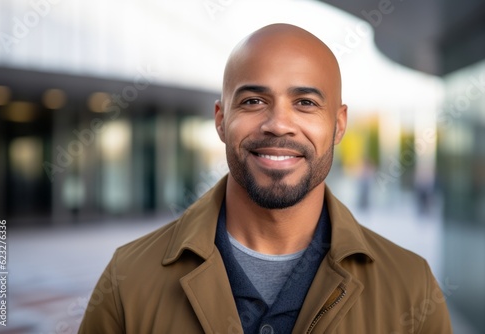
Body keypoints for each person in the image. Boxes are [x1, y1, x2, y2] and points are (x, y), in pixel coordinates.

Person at [78, 24, 452, 333]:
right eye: (254, 101)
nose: (278, 125)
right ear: (221, 120)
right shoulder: (128, 278)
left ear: (338, 125)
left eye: (305, 103)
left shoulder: (410, 286)